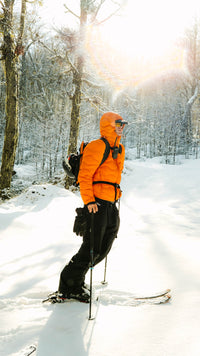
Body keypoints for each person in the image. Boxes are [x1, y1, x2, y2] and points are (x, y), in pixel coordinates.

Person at [57, 112, 128, 302]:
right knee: (92, 246)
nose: (122, 127)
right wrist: (89, 201)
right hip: (96, 203)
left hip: (110, 203)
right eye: (118, 124)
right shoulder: (97, 146)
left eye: (123, 124)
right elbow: (85, 176)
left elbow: (111, 175)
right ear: (109, 125)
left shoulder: (119, 149)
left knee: (107, 242)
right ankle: (69, 284)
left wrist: (116, 194)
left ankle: (76, 280)